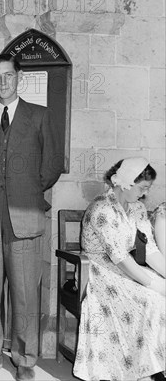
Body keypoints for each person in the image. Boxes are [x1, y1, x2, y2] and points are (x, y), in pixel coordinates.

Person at [0, 54, 63, 381]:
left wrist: (26, 192)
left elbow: (50, 167)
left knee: (24, 294)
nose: (3, 81)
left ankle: (24, 361)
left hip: (24, 216)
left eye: (9, 75)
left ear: (18, 77)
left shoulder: (39, 116)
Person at [73, 157, 165, 381]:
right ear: (127, 182)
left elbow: (150, 249)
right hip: (98, 273)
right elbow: (120, 258)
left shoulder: (137, 209)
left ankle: (153, 366)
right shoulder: (102, 209)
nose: (144, 194)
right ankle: (142, 370)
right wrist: (155, 284)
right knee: (153, 299)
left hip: (127, 269)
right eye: (142, 188)